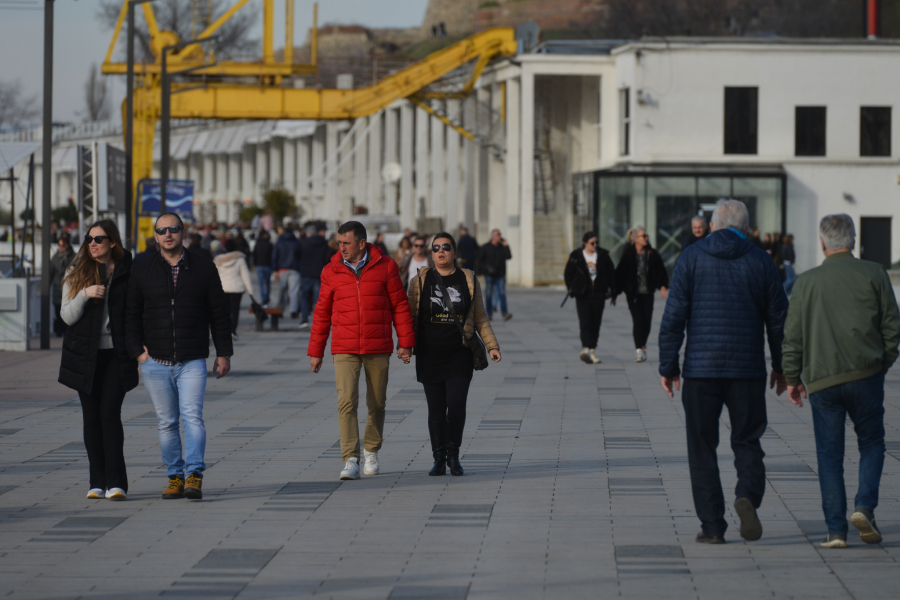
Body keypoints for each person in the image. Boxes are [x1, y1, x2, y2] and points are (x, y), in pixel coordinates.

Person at [658, 199, 788, 545]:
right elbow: (778, 322)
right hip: (747, 370)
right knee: (747, 440)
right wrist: (783, 367)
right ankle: (747, 494)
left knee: (702, 446)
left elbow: (673, 319)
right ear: (745, 228)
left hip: (701, 370)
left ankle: (713, 526)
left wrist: (669, 367)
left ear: (713, 226)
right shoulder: (761, 260)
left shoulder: (691, 257)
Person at [782, 214, 900, 549]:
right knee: (873, 443)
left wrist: (792, 377)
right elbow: (893, 327)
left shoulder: (806, 282)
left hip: (822, 379)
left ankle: (836, 531)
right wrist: (882, 364)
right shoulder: (875, 273)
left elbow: (793, 337)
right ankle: (864, 507)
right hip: (866, 375)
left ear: (823, 243)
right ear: (853, 239)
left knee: (829, 455)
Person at [125, 212, 233, 501]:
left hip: (192, 359)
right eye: (162, 231)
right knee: (167, 422)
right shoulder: (142, 269)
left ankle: (194, 475)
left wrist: (223, 353)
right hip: (155, 361)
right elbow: (131, 314)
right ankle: (175, 476)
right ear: (156, 236)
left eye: (173, 229)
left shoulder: (202, 267)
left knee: (193, 418)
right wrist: (137, 352)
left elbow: (219, 313)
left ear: (183, 232)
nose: (168, 234)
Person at [307, 221, 415, 481]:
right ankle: (350, 458)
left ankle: (371, 451)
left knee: (377, 402)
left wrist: (405, 343)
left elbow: (400, 305)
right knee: (346, 402)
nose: (340, 247)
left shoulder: (386, 266)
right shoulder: (330, 271)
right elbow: (321, 312)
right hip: (345, 347)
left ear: (361, 243)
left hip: (377, 345)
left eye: (346, 243)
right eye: (339, 242)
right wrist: (316, 350)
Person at [406, 232, 501, 476]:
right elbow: (409, 317)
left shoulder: (467, 279)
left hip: (460, 353)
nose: (440, 251)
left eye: (446, 247)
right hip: (429, 354)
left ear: (455, 253)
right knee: (436, 409)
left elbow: (479, 315)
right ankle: (438, 458)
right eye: (435, 247)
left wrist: (492, 346)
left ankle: (453, 455)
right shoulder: (419, 281)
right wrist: (404, 345)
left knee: (456, 405)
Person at [58, 220, 138, 501]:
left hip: (116, 354)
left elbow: (138, 313)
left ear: (112, 242)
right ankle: (96, 482)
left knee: (109, 414)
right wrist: (84, 294)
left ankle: (116, 483)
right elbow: (66, 316)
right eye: (89, 239)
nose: (92, 243)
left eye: (99, 239)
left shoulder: (128, 272)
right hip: (84, 355)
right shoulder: (76, 270)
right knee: (91, 418)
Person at [614, 226, 668, 362]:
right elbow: (620, 274)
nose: (646, 238)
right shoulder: (628, 254)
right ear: (635, 239)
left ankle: (643, 345)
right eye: (642, 236)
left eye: (646, 236)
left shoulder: (652, 253)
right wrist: (615, 293)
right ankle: (639, 350)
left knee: (647, 321)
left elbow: (660, 270)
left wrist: (662, 286)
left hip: (648, 292)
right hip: (634, 294)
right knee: (638, 321)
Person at [564, 231, 616, 365]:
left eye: (596, 243)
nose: (595, 245)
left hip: (599, 295)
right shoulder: (576, 256)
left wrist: (612, 293)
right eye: (592, 243)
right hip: (582, 295)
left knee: (595, 323)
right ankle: (585, 348)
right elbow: (568, 274)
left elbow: (611, 274)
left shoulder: (603, 255)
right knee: (585, 321)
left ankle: (592, 350)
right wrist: (572, 290)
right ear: (585, 243)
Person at [214, 239, 255, 341]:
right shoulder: (240, 259)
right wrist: (250, 291)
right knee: (235, 311)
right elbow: (245, 275)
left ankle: (225, 331)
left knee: (224, 311)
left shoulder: (218, 260)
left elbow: (214, 276)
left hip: (223, 288)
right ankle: (233, 331)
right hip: (236, 288)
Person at [294, 224, 333, 330]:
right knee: (318, 298)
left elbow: (296, 254)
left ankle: (304, 319)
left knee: (305, 297)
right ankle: (319, 321)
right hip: (319, 274)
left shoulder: (304, 243)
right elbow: (328, 258)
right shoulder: (324, 243)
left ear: (308, 233)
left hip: (306, 273)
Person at [478, 229, 513, 321]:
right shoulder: (486, 247)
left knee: (502, 293)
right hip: (489, 275)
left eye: (500, 234)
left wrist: (506, 246)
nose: (499, 236)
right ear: (493, 236)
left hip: (500, 274)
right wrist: (482, 272)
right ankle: (489, 314)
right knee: (489, 294)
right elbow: (480, 260)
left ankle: (504, 313)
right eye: (498, 234)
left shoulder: (502, 247)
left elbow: (508, 256)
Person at [271, 224, 301, 318]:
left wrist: (275, 269)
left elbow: (275, 256)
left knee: (282, 290)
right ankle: (293, 311)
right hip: (295, 269)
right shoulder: (297, 242)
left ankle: (280, 310)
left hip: (282, 268)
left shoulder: (280, 242)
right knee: (294, 291)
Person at [49, 233, 76, 337]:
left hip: (70, 289)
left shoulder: (74, 257)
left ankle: (66, 330)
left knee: (69, 311)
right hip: (57, 289)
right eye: (59, 245)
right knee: (58, 310)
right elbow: (50, 274)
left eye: (63, 245)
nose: (61, 248)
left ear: (68, 245)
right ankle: (59, 330)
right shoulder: (55, 258)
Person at [252, 230, 274, 305]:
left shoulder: (257, 244)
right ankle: (265, 298)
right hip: (266, 265)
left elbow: (254, 255)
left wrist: (255, 264)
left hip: (260, 265)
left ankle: (264, 298)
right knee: (266, 283)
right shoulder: (269, 244)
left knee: (262, 283)